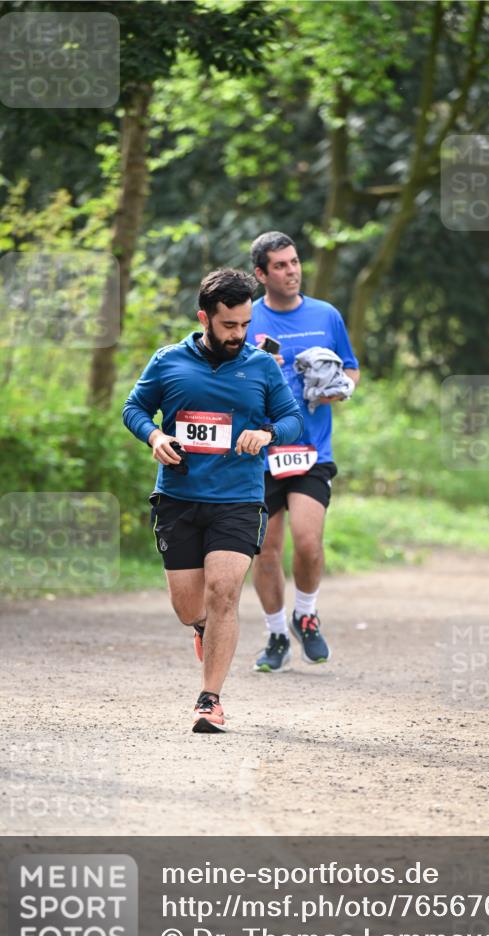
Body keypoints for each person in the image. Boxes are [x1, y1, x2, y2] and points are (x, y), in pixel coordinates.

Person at [123, 268, 303, 731]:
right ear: (205, 316)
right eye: (228, 325)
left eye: (245, 325)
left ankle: (210, 700)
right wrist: (154, 435)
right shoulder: (168, 361)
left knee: (224, 593)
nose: (238, 335)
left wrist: (266, 433)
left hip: (238, 499)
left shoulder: (261, 365)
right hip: (179, 497)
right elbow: (134, 408)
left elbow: (291, 419)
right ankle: (202, 629)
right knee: (190, 607)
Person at [246, 231, 360, 672]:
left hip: (312, 448)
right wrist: (255, 370)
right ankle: (276, 635)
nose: (291, 271)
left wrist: (338, 389)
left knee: (309, 544)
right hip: (259, 451)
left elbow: (350, 368)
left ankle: (305, 613)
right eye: (280, 265)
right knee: (266, 550)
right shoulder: (247, 320)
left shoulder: (325, 314)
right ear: (261, 274)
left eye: (294, 263)